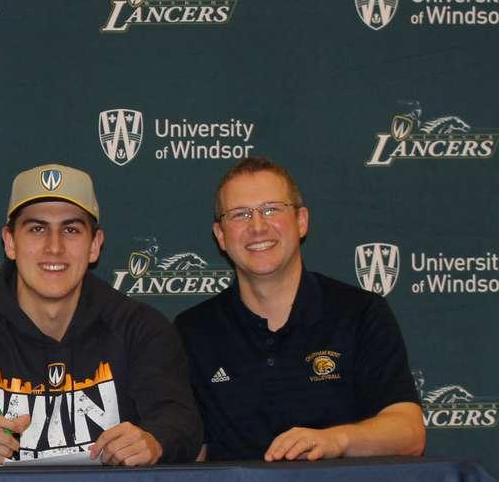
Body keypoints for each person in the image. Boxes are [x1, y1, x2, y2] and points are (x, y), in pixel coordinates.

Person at [0, 163, 202, 466]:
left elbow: (182, 421)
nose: (54, 247)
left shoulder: (140, 329)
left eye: (71, 229)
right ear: (10, 242)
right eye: (37, 229)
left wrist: (154, 441)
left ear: (94, 245)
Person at [174, 156, 424, 462]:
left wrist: (335, 441)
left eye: (271, 209)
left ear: (301, 221)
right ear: (221, 236)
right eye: (240, 214)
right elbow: (192, 453)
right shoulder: (193, 331)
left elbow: (409, 432)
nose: (257, 226)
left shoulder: (360, 312)